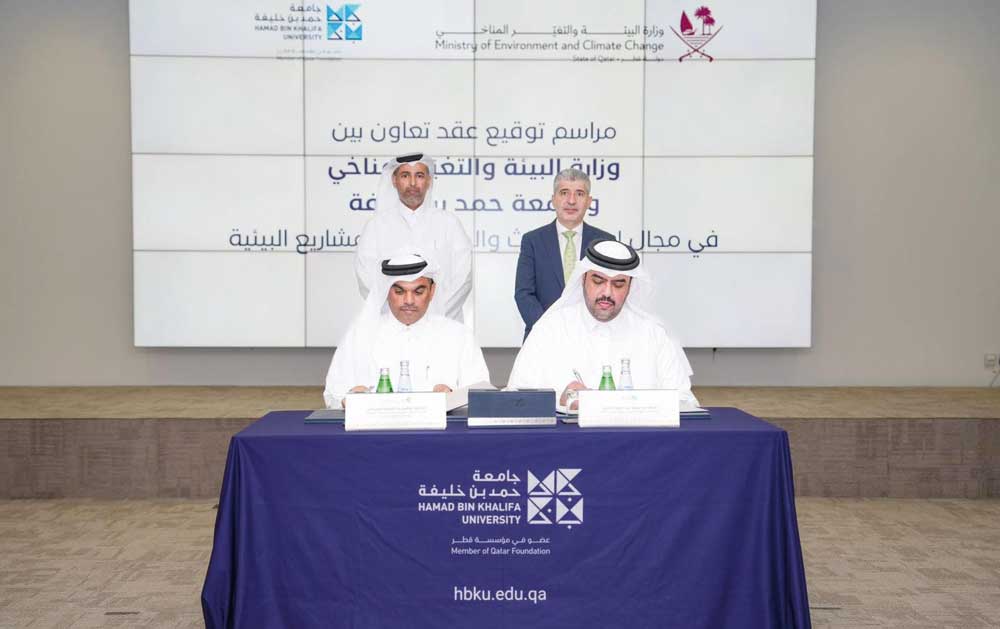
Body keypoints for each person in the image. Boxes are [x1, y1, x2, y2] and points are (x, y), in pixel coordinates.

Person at [508, 239, 698, 410]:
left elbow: (686, 402)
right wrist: (560, 400)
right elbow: (515, 399)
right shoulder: (549, 330)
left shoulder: (653, 334)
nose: (607, 292)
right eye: (598, 281)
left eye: (618, 284)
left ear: (630, 286)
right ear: (583, 279)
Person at [324, 253, 490, 409]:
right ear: (386, 291)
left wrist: (452, 397)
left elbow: (481, 396)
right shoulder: (360, 335)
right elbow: (333, 394)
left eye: (418, 291)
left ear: (432, 291)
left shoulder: (458, 336)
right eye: (399, 291)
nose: (409, 300)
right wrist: (352, 397)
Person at [354, 152, 472, 322]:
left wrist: (434, 315)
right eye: (405, 175)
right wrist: (398, 314)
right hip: (390, 325)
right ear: (394, 180)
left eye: (419, 175)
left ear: (429, 181)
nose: (412, 183)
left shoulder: (449, 223)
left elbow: (463, 277)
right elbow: (366, 278)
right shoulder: (376, 226)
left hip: (443, 325)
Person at [514, 168, 614, 339]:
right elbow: (524, 294)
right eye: (564, 192)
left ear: (589, 201)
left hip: (593, 338)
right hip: (543, 337)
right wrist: (550, 330)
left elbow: (609, 292)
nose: (571, 200)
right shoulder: (532, 241)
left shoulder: (605, 242)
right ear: (554, 199)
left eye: (579, 194)